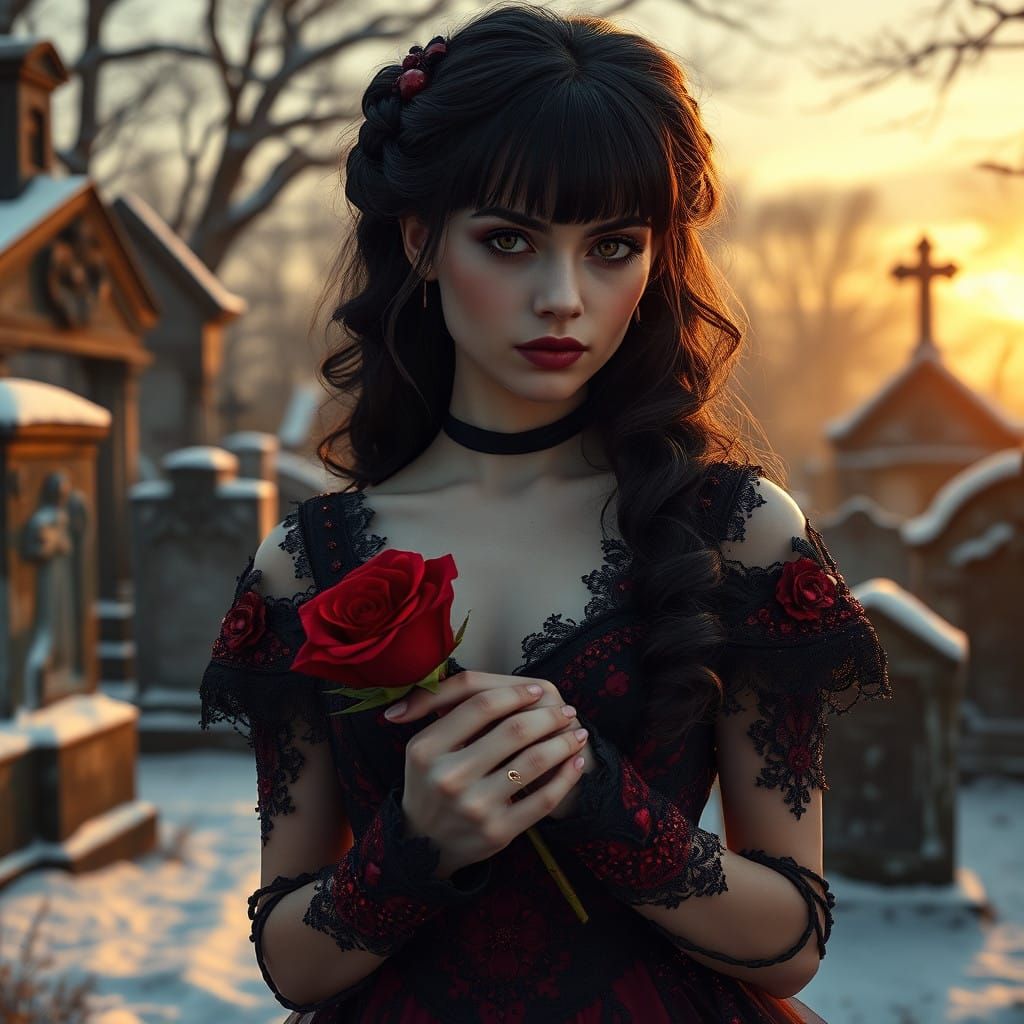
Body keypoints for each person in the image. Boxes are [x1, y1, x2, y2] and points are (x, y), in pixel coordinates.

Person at [199, 5, 893, 1021]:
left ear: (656, 261)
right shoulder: (309, 563)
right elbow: (292, 963)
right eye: (509, 240)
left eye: (611, 245)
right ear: (421, 241)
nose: (562, 296)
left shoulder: (738, 530)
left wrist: (593, 795)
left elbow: (791, 939)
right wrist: (418, 841)